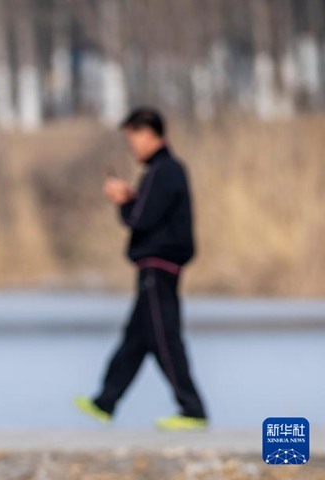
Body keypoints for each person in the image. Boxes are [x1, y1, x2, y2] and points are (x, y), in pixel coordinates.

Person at [74, 107, 207, 430]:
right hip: (157, 265)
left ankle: (192, 411)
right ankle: (105, 401)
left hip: (158, 266)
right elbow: (152, 211)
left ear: (148, 134)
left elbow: (140, 218)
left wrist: (123, 200)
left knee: (164, 338)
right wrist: (134, 197)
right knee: (136, 339)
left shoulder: (163, 171)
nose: (132, 146)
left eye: (132, 138)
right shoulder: (166, 171)